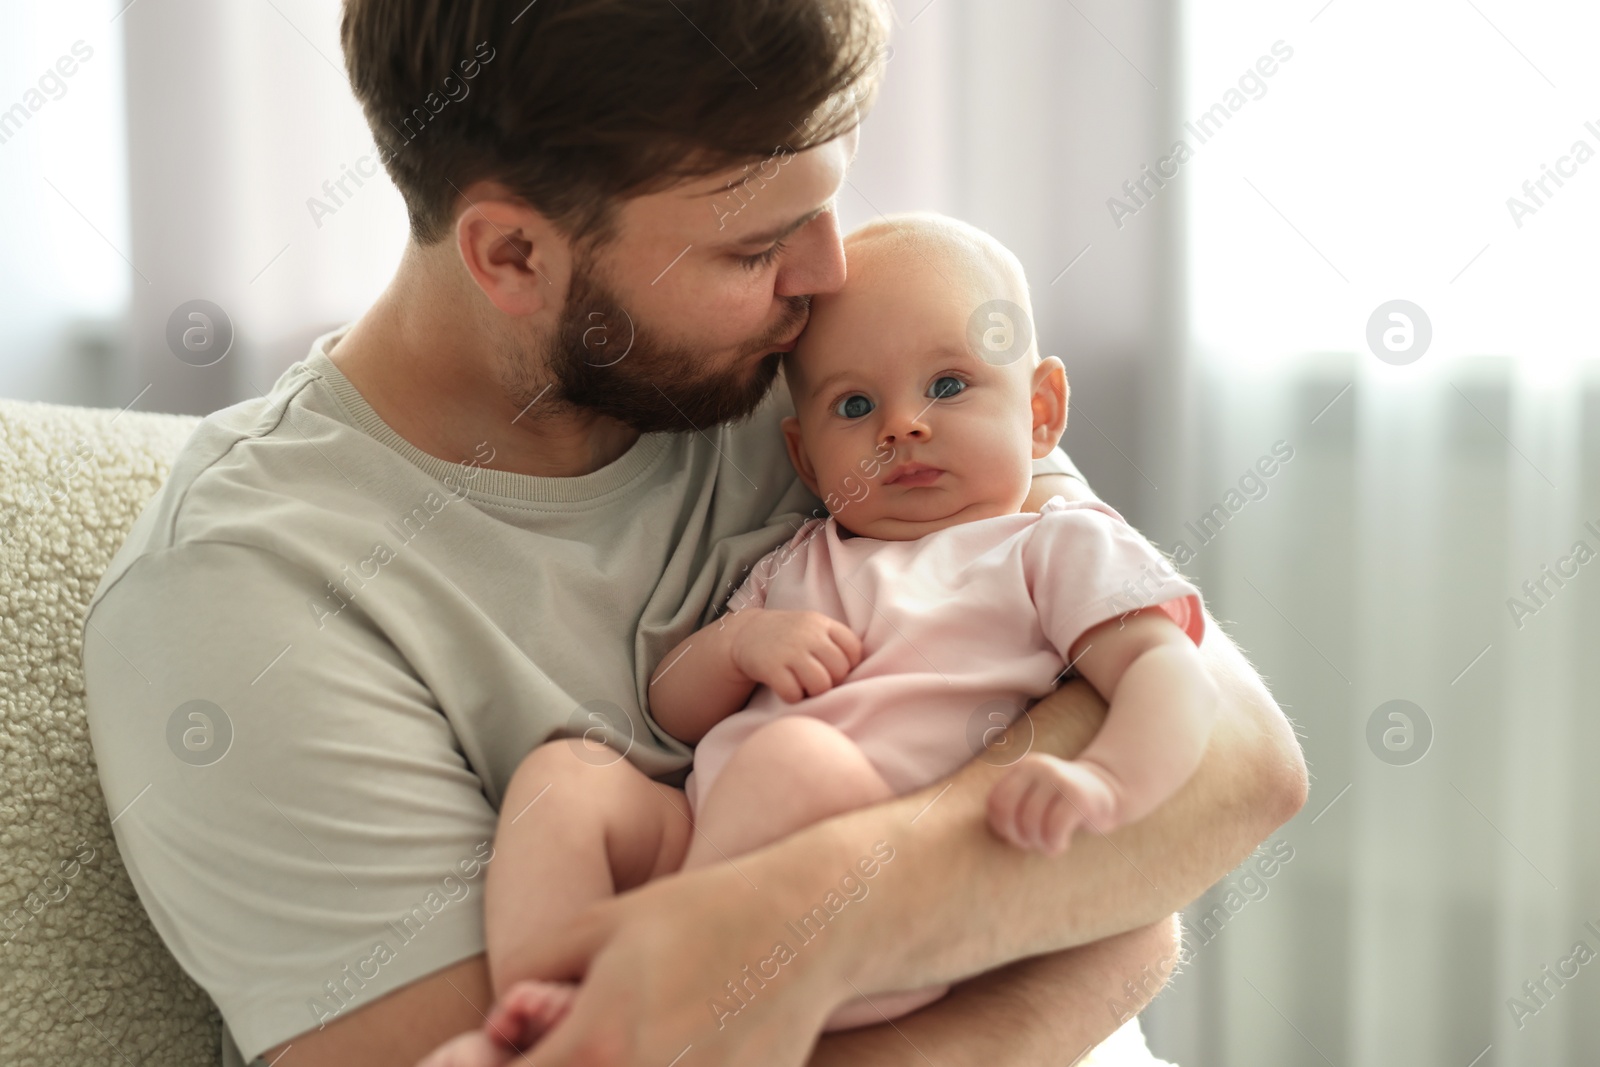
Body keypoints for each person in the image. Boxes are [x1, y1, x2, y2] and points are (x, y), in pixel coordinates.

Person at [81, 3, 1307, 1066]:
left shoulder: (839, 369)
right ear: (513, 252)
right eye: (757, 244)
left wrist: (800, 917)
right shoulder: (245, 600)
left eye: (822, 209)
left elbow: (1237, 768)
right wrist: (1079, 948)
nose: (825, 277)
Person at [447, 214, 1221, 1062]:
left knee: (793, 761)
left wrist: (1108, 783)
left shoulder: (1051, 544)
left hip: (877, 901)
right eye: (855, 406)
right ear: (808, 460)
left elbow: (1166, 667)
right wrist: (740, 645)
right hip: (706, 841)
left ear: (1040, 413)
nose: (902, 427)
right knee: (567, 775)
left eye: (950, 385)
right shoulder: (799, 557)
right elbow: (672, 705)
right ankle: (546, 1001)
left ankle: (652, 1016)